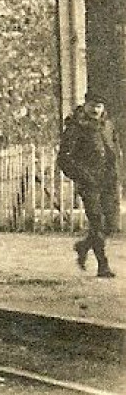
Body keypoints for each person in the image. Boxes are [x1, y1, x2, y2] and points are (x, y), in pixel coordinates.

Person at [58, 93, 118, 278]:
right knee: (97, 221)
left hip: (109, 180)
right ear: (85, 105)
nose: (95, 110)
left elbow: (116, 150)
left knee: (111, 224)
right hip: (89, 182)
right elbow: (64, 158)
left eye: (99, 106)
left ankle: (83, 246)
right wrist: (82, 176)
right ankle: (103, 265)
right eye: (92, 105)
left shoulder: (108, 125)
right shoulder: (75, 127)